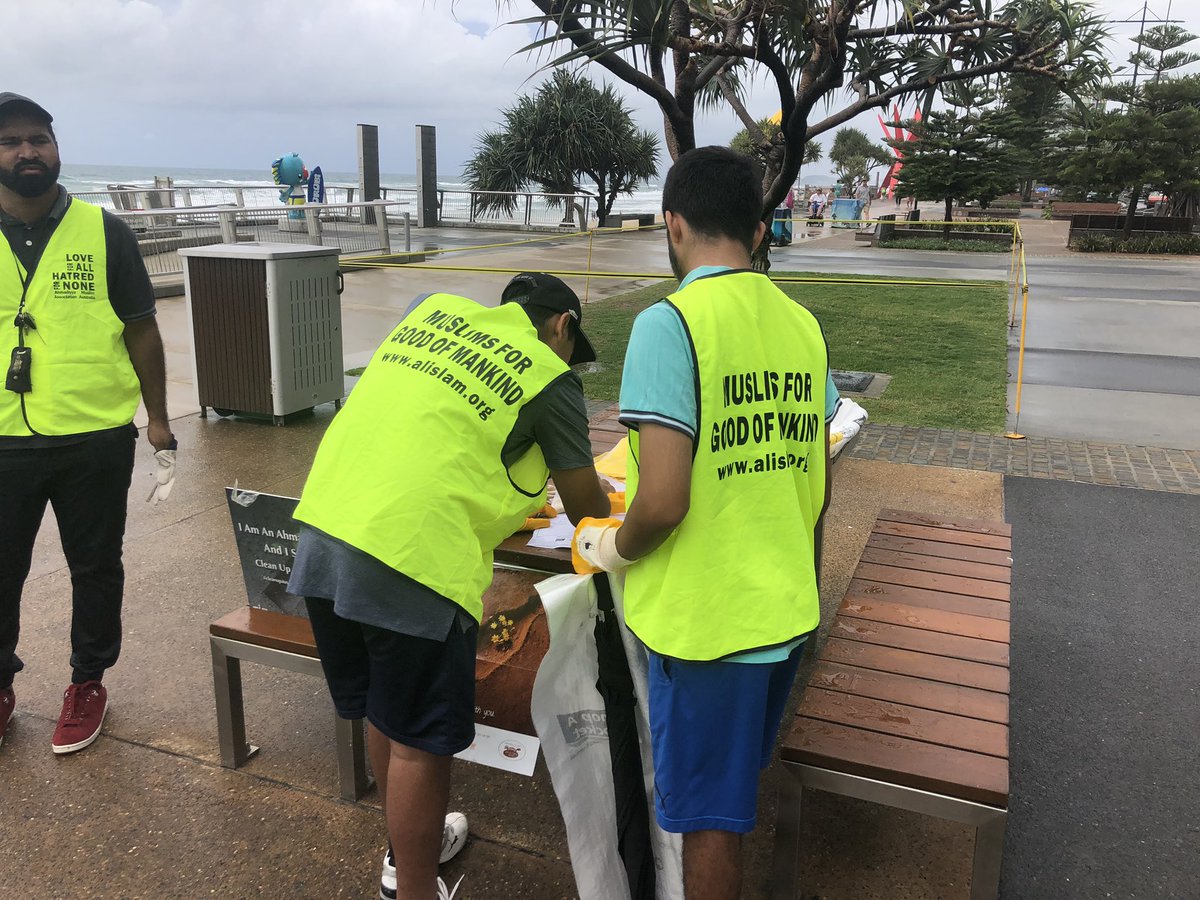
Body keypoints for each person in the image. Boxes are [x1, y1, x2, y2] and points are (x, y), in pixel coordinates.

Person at [288, 273, 611, 900]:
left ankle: (406, 850)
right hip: (413, 559)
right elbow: (586, 505)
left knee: (387, 710)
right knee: (418, 746)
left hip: (325, 532)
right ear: (562, 327)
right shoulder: (549, 374)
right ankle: (411, 888)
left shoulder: (431, 312)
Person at [572, 147, 836, 900]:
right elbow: (811, 476)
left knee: (709, 821)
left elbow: (661, 501)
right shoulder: (801, 323)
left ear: (673, 223)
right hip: (782, 611)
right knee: (730, 796)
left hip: (708, 623)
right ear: (758, 231)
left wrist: (608, 548)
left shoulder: (670, 323)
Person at [0, 93, 173, 755]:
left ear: (55, 147)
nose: (27, 152)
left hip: (92, 436)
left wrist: (158, 419)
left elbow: (142, 329)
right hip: (3, 439)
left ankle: (87, 682)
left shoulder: (105, 232)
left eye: (38, 139)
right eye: (11, 141)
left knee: (95, 567)